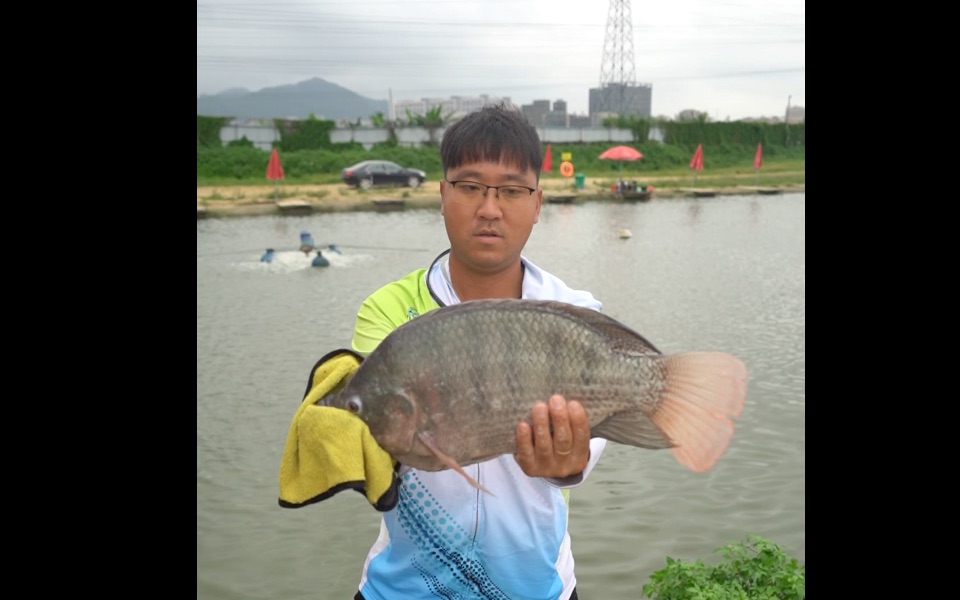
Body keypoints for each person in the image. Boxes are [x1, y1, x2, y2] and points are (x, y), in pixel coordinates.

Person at [348, 102, 605, 600]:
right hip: (400, 591)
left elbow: (583, 460)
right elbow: (377, 447)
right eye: (470, 187)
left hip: (539, 589)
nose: (490, 208)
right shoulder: (387, 310)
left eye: (511, 190)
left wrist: (568, 462)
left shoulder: (574, 312)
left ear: (537, 202)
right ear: (443, 195)